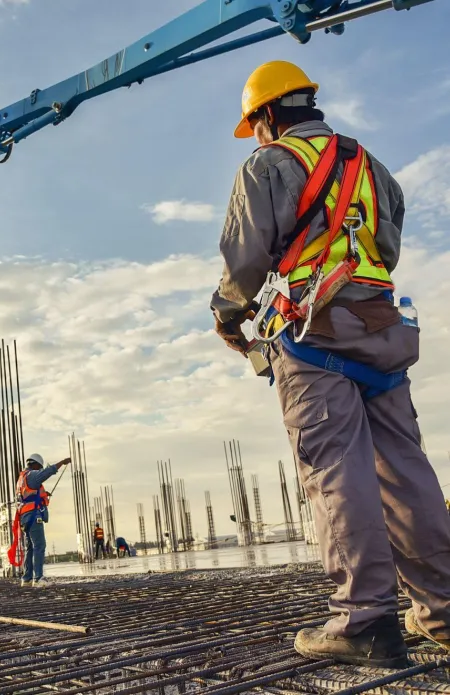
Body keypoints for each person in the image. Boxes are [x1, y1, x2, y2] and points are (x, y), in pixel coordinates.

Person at [211, 60, 450, 668]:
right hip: (382, 328)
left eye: (255, 123)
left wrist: (227, 314)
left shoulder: (266, 165)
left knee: (337, 473)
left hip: (313, 336)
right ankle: (445, 611)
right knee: (406, 470)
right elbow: (387, 248)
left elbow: (246, 260)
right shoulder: (373, 166)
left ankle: (364, 620)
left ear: (266, 115)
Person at [16, 453, 71, 587]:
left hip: (24, 517)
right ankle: (39, 578)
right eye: (39, 467)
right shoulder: (32, 475)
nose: (39, 470)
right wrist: (62, 462)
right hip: (34, 516)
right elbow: (47, 472)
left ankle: (27, 579)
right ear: (35, 465)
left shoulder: (21, 479)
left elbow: (28, 496)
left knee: (30, 547)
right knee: (39, 546)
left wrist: (43, 495)